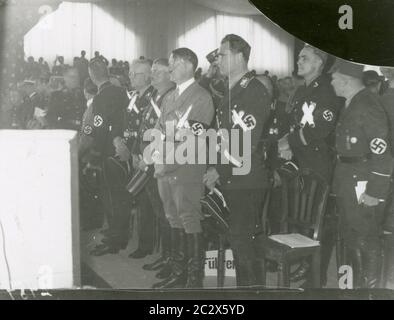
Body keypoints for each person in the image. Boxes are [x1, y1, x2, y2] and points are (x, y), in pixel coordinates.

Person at [204, 34, 271, 287]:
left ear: (240, 56)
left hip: (246, 179)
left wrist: (218, 170)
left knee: (245, 248)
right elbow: (221, 136)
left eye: (222, 55)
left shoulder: (253, 90)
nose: (217, 60)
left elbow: (246, 141)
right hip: (230, 175)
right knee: (236, 242)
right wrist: (213, 166)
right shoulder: (231, 90)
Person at [277, 44, 343, 286]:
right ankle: (306, 265)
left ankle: (317, 276)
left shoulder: (326, 90)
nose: (299, 61)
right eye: (299, 57)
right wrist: (286, 142)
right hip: (301, 162)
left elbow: (321, 129)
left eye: (305, 58)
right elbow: (294, 124)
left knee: (317, 221)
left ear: (319, 63)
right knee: (302, 220)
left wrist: (290, 142)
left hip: (317, 164)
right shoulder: (303, 89)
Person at [152, 47, 214, 289]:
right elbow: (158, 130)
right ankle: (178, 272)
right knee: (173, 218)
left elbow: (194, 141)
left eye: (173, 64)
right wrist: (157, 158)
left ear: (189, 65)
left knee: (189, 219)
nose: (170, 69)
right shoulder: (169, 96)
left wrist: (165, 164)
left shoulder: (201, 97)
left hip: (186, 169)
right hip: (165, 168)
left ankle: (193, 278)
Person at [331, 59, 393, 288]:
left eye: (334, 78)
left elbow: (382, 153)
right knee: (352, 235)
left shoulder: (368, 105)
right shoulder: (352, 102)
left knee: (367, 238)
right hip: (349, 179)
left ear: (346, 81)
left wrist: (375, 192)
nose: (332, 83)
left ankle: (370, 291)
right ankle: (357, 287)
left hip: (364, 182)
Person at [84, 57, 131, 256]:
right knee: (121, 198)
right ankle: (120, 237)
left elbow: (99, 129)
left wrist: (93, 156)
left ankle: (114, 241)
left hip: (107, 154)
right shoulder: (122, 92)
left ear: (91, 75)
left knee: (111, 199)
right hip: (123, 151)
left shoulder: (100, 98)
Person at [140, 58, 176, 278]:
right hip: (150, 160)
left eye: (157, 72)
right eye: (151, 71)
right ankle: (166, 256)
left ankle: (171, 259)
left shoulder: (171, 97)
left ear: (169, 74)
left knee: (167, 215)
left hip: (162, 162)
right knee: (160, 213)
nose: (152, 75)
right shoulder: (155, 96)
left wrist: (149, 157)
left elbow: (166, 135)